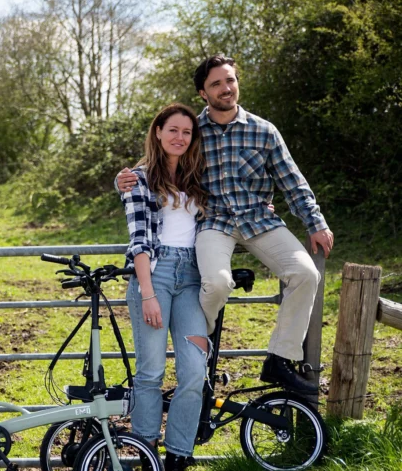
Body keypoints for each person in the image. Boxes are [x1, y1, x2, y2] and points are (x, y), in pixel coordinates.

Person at [117, 55, 334, 394]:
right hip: (213, 221)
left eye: (229, 80)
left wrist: (315, 222)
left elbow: (293, 181)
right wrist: (126, 178)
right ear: (203, 93)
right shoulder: (194, 131)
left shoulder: (264, 131)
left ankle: (279, 358)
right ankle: (198, 353)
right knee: (217, 283)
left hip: (259, 218)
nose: (225, 88)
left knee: (306, 274)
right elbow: (161, 158)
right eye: (216, 84)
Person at [121, 103, 210, 471]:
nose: (179, 137)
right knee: (151, 374)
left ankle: (177, 466)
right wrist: (148, 293)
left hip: (191, 277)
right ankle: (148, 468)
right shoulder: (137, 179)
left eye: (186, 132)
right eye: (172, 129)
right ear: (158, 132)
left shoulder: (198, 178)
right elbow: (139, 239)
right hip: (153, 276)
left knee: (194, 370)